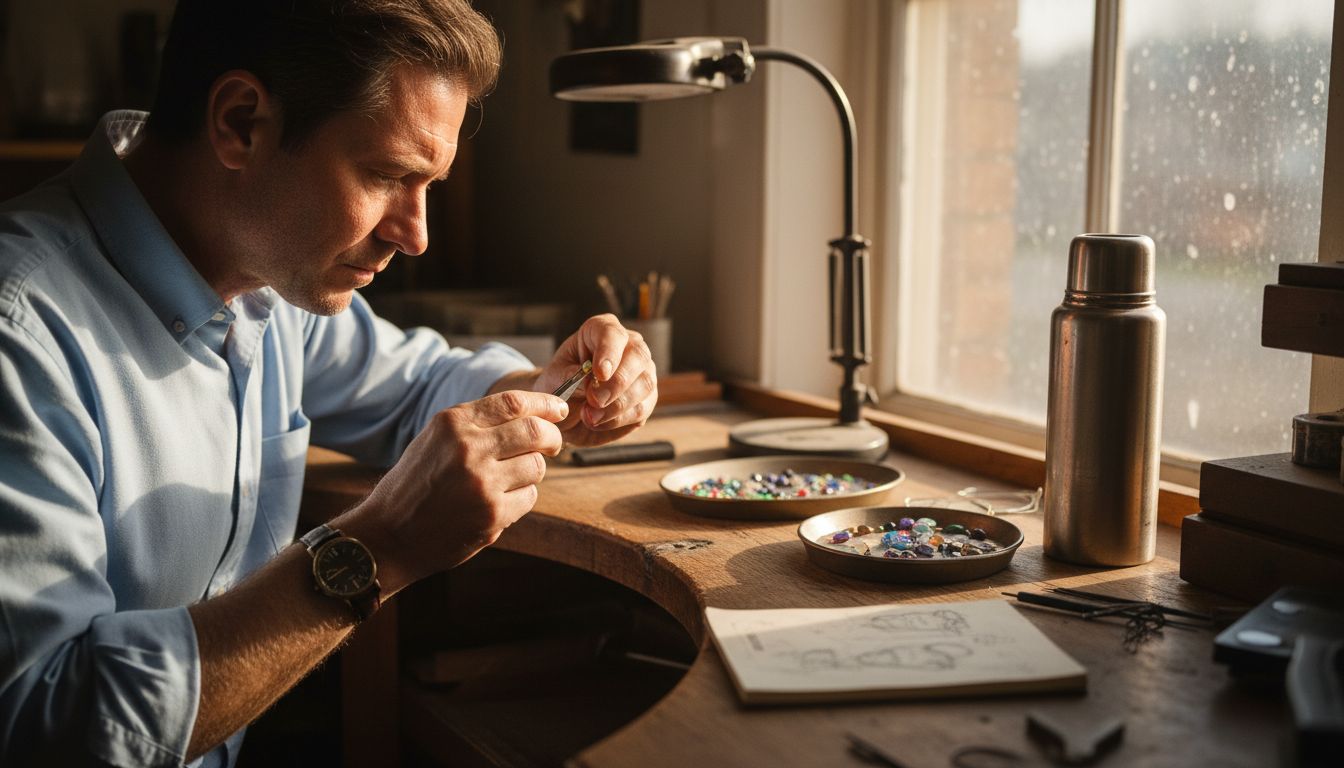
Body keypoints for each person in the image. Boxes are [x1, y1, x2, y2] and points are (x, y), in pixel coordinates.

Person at [0, 1, 658, 766]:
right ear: (241, 122)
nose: (415, 234)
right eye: (387, 175)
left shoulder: (266, 280)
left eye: (430, 185)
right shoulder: (22, 338)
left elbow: (417, 384)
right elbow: (48, 725)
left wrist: (562, 386)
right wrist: (379, 550)